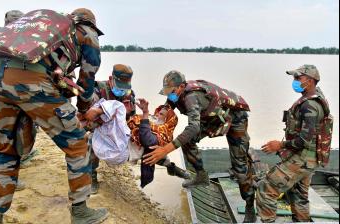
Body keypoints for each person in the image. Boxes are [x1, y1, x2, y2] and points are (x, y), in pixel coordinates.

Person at [0, 8, 106, 224]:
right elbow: (88, 75)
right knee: (77, 142)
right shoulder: (87, 32)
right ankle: (80, 211)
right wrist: (84, 107)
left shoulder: (46, 31)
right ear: (89, 23)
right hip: (28, 80)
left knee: (6, 149)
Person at [143, 70, 257, 223]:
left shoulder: (191, 98)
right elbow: (171, 101)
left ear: (182, 86)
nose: (170, 95)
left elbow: (193, 128)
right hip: (214, 118)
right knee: (188, 141)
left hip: (236, 118)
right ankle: (202, 176)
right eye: (167, 92)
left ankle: (250, 208)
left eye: (172, 91)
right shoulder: (179, 92)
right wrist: (164, 111)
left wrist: (165, 149)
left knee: (240, 166)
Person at [257, 65, 332, 223]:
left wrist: (280, 145)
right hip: (309, 159)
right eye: (294, 78)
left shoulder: (309, 105)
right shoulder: (315, 96)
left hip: (302, 158)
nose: (295, 81)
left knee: (267, 188)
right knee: (299, 196)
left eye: (298, 78)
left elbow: (304, 139)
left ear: (310, 81)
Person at [89, 64, 136, 194]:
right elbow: (88, 119)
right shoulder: (97, 91)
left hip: (118, 130)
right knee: (89, 142)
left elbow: (131, 118)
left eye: (125, 87)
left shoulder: (129, 95)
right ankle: (91, 175)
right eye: (119, 86)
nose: (122, 90)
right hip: (99, 128)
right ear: (111, 79)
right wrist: (105, 118)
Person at [129, 98, 190, 188]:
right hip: (138, 150)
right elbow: (133, 119)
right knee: (162, 159)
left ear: (167, 120)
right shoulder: (151, 120)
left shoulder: (163, 133)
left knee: (159, 156)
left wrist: (145, 117)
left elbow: (148, 141)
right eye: (158, 112)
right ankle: (173, 169)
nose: (157, 115)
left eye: (161, 114)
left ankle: (174, 170)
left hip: (138, 154)